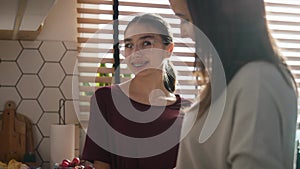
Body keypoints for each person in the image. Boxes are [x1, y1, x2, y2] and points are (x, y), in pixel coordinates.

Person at [168, 0, 298, 169]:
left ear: (218, 15)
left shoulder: (257, 82)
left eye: (185, 19)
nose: (181, 32)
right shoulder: (231, 81)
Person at [82, 13, 190, 169]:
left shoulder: (189, 110)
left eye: (146, 43)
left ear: (169, 49)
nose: (136, 52)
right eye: (129, 45)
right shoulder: (106, 99)